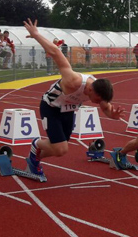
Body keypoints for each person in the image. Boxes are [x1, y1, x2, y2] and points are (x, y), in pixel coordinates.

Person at [23, 19, 123, 179]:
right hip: (51, 107)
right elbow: (56, 52)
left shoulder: (99, 90)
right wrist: (36, 35)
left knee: (60, 148)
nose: (96, 103)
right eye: (95, 100)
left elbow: (106, 107)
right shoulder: (73, 80)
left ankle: (35, 158)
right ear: (89, 89)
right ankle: (36, 145)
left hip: (68, 111)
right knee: (61, 149)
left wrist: (112, 115)